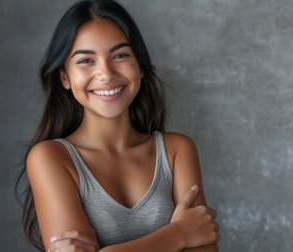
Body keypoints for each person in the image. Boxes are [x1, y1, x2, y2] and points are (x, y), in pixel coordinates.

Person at [15, 0, 221, 251]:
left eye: (120, 55)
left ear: (140, 68)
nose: (106, 73)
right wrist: (179, 234)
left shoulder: (177, 150)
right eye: (85, 60)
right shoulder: (50, 158)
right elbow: (192, 236)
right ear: (65, 78)